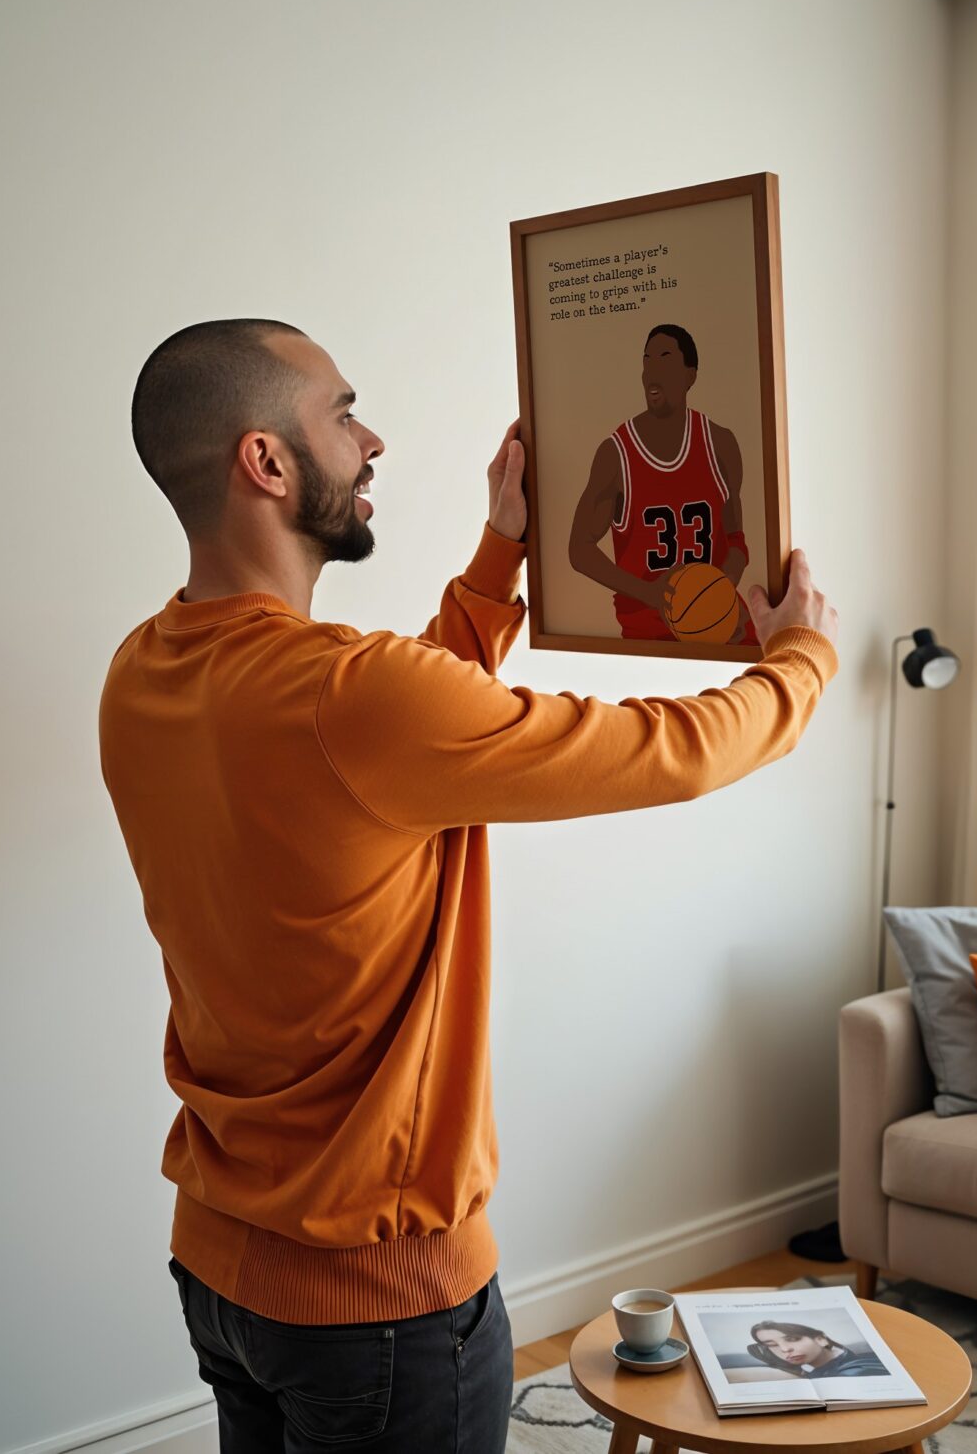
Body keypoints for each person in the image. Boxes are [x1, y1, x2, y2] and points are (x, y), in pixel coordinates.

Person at [99, 318, 839, 1453]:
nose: (372, 440)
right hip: (380, 1302)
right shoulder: (350, 698)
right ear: (267, 462)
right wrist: (802, 661)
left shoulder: (142, 672)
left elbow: (388, 737)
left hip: (220, 1270)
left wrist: (503, 553)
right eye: (344, 414)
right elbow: (668, 752)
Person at [568, 323, 761, 644]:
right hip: (651, 629)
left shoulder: (720, 444)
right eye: (647, 360)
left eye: (665, 358)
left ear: (690, 375)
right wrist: (649, 593)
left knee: (759, 661)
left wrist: (722, 588)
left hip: (717, 615)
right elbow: (579, 549)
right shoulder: (616, 455)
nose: (652, 370)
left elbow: (735, 539)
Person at [749, 1320, 888, 1379]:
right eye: (771, 1345)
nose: (784, 1349)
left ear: (820, 1339)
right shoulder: (810, 1367)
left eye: (792, 1339)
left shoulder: (852, 1372)